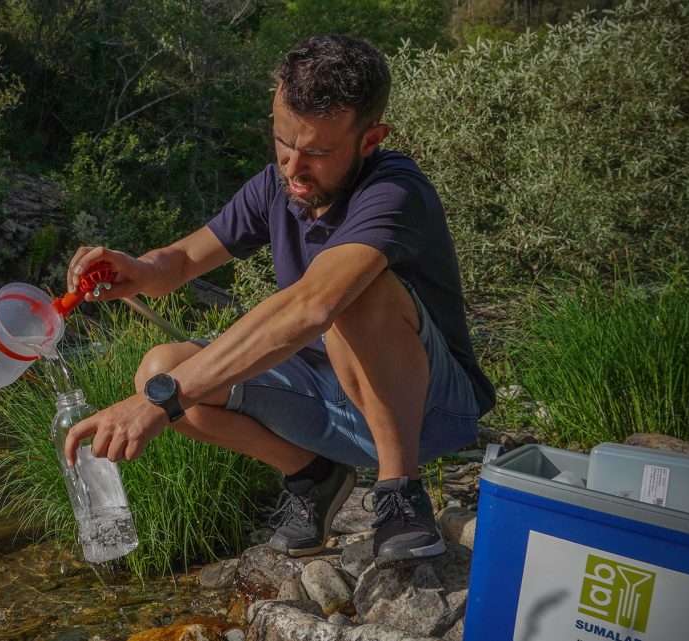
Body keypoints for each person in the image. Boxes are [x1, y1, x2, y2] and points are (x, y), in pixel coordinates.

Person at [62, 34, 495, 567]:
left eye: (318, 152)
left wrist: (158, 404)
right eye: (283, 143)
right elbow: (182, 259)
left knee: (354, 293)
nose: (293, 168)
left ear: (370, 140)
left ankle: (400, 492)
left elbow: (314, 304)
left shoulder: (395, 191)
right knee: (160, 367)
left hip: (431, 409)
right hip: (327, 402)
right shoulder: (276, 187)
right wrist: (139, 270)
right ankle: (313, 474)